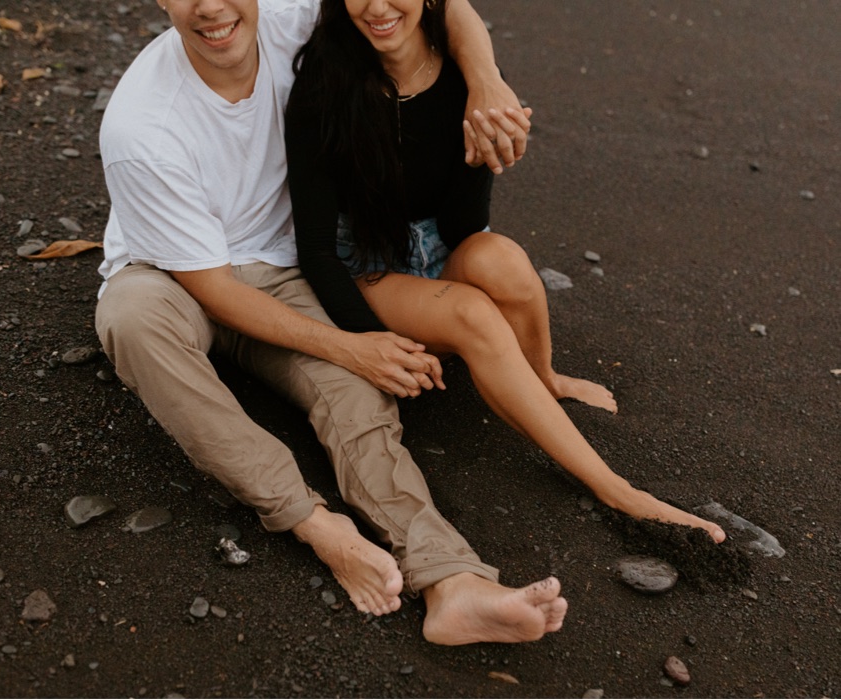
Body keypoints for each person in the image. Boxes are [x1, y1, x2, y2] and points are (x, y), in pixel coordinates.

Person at [96, 0, 566, 645]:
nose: (211, 8)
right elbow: (215, 290)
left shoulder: (297, 18)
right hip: (175, 274)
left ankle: (451, 581)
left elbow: (446, 6)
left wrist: (486, 79)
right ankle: (317, 525)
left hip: (287, 270)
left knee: (356, 405)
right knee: (130, 318)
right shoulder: (141, 129)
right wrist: (348, 344)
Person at [283, 0, 724, 541]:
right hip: (365, 270)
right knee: (471, 313)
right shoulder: (323, 86)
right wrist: (375, 348)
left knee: (505, 262)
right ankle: (616, 489)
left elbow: (467, 226)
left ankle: (543, 377)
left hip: (440, 246)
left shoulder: (469, 81)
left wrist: (485, 147)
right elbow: (317, 252)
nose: (377, 7)